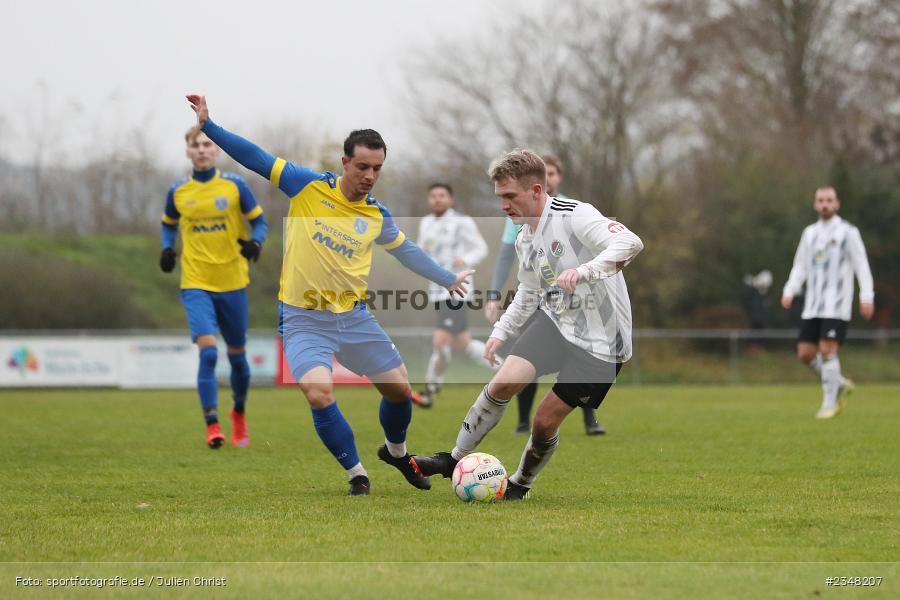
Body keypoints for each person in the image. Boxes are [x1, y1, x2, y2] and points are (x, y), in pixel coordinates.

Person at [186, 94, 472, 496]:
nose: (370, 175)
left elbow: (406, 251)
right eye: (362, 167)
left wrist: (447, 278)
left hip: (354, 317)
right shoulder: (306, 186)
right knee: (319, 394)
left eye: (377, 168)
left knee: (399, 390)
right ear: (344, 163)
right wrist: (208, 126)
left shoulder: (376, 215)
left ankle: (397, 452)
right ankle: (357, 473)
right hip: (304, 319)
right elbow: (255, 156)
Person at [415, 149, 643, 500]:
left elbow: (630, 242)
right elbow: (529, 290)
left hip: (602, 344)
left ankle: (520, 483)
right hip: (557, 323)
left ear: (536, 190)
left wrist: (583, 271)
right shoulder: (524, 236)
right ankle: (453, 459)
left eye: (510, 196)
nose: (504, 205)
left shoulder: (575, 215)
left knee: (543, 421)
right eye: (500, 197)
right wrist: (501, 332)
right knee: (504, 381)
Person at [160, 126, 269, 449]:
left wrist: (256, 243)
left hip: (233, 282)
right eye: (196, 145)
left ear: (216, 151)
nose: (203, 150)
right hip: (195, 282)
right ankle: (212, 424)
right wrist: (167, 249)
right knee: (208, 352)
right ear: (188, 152)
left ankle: (238, 411)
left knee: (237, 358)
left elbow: (259, 221)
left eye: (207, 144)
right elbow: (168, 226)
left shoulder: (235, 185)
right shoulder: (177, 191)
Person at [485, 155, 606, 436]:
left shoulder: (571, 210)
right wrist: (494, 296)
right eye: (546, 172)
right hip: (540, 297)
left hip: (578, 302)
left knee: (584, 358)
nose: (549, 178)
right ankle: (523, 420)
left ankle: (590, 420)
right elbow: (506, 257)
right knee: (526, 359)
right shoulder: (516, 210)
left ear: (556, 178)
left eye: (553, 173)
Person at [781, 186, 874, 419]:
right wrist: (790, 289)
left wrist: (866, 296)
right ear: (815, 204)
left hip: (838, 304)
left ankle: (829, 404)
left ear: (837, 204)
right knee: (805, 353)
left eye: (829, 200)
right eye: (820, 200)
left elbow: (861, 265)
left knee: (827, 350)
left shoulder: (848, 232)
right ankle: (839, 382)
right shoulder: (809, 233)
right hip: (813, 304)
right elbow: (800, 265)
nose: (824, 204)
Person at [415, 182, 493, 407]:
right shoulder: (426, 223)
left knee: (440, 340)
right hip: (437, 291)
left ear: (451, 199)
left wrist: (466, 259)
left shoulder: (462, 221)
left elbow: (481, 248)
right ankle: (509, 370)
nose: (437, 199)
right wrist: (423, 253)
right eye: (433, 196)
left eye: (442, 195)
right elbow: (420, 250)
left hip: (458, 290)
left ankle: (430, 389)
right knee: (462, 343)